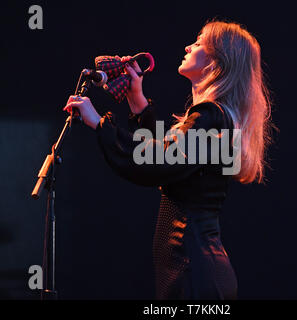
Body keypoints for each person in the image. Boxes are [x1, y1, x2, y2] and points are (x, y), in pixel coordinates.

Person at [63, 19, 272, 300]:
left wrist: (100, 124)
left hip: (194, 275)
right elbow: (166, 163)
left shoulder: (211, 116)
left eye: (198, 43)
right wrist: (137, 101)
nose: (188, 46)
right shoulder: (218, 118)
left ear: (216, 61)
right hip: (197, 272)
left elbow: (154, 163)